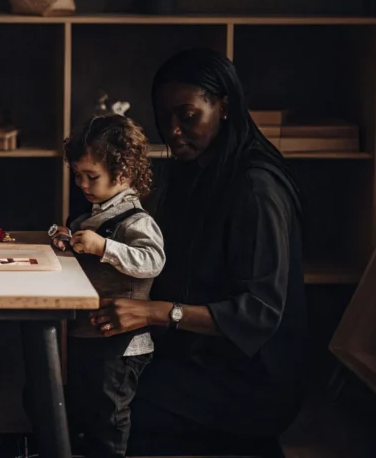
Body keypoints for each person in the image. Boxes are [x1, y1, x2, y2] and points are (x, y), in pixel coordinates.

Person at [87, 48, 309, 457]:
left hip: (250, 381)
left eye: (187, 116)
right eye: (164, 117)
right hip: (197, 357)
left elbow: (258, 313)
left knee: (96, 407)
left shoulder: (256, 188)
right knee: (75, 383)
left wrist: (152, 312)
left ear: (223, 107)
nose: (172, 130)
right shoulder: (197, 173)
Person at [48, 114, 165, 458]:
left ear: (124, 173)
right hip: (90, 333)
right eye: (77, 176)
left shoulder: (137, 220)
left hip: (121, 343)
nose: (82, 184)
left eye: (91, 177)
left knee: (109, 415)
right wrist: (67, 238)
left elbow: (152, 261)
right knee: (85, 405)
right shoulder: (93, 214)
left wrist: (103, 247)